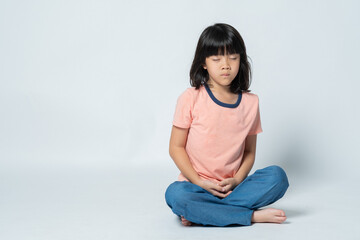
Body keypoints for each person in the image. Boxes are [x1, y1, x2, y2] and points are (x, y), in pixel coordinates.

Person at [165, 23, 289, 227]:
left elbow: (249, 152)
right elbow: (175, 147)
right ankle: (250, 216)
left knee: (278, 177)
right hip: (195, 186)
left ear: (241, 61)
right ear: (203, 63)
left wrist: (237, 180)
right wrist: (198, 181)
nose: (226, 65)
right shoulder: (190, 98)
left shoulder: (251, 102)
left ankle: (204, 212)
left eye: (233, 58)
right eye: (216, 59)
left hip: (234, 188)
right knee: (175, 195)